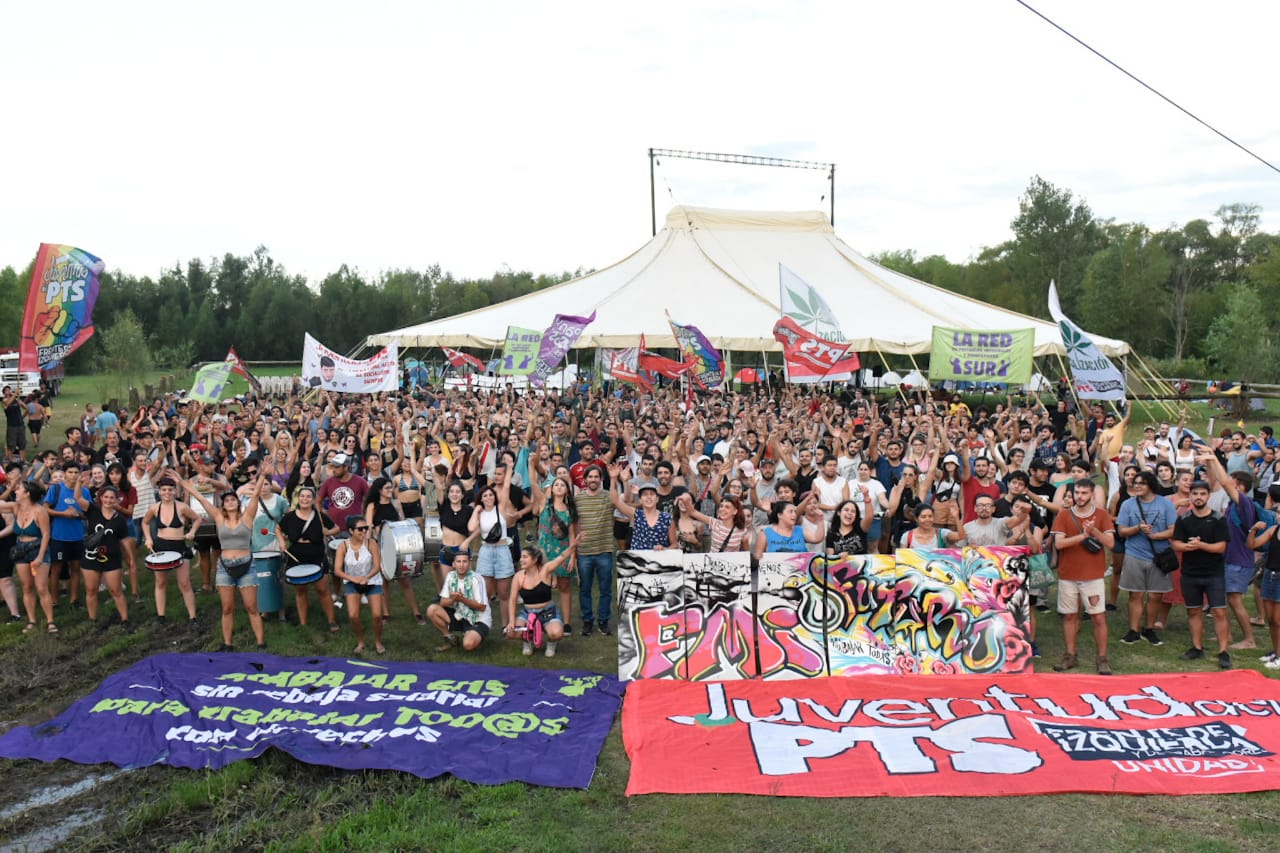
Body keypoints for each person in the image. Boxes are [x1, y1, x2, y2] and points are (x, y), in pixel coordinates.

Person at [184, 465, 271, 651]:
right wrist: (183, 483)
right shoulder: (218, 518)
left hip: (246, 565)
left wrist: (262, 474)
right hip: (224, 567)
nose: (230, 502)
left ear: (238, 503)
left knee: (251, 608)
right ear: (223, 505)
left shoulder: (247, 517)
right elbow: (200, 498)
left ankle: (261, 643)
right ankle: (227, 643)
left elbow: (255, 495)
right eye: (227, 500)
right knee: (227, 608)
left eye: (233, 500)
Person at [1051, 479, 1117, 675]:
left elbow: (1111, 543)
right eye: (1077, 493)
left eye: (1084, 493)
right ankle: (1070, 655)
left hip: (1092, 575)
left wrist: (1094, 531)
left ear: (1092, 495)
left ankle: (1102, 658)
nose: (1080, 497)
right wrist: (1083, 536)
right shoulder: (1063, 515)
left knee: (1098, 616)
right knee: (1070, 615)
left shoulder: (1102, 515)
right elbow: (1059, 544)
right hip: (1068, 574)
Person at [1173, 480, 1233, 669]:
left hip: (1213, 573)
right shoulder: (1183, 519)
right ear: (1190, 496)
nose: (1198, 497)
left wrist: (1201, 546)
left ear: (1208, 496)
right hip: (1190, 573)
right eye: (1195, 494)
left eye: (1202, 494)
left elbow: (1221, 547)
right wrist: (1188, 546)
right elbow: (1175, 543)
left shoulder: (1217, 519)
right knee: (1193, 610)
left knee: (1219, 611)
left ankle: (1223, 651)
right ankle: (1197, 647)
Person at [1115, 470, 1177, 647]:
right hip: (1135, 554)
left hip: (1159, 555)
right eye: (1135, 483)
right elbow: (1121, 531)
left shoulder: (1165, 504)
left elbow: (1173, 529)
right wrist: (1138, 528)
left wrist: (1156, 536)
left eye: (1141, 483)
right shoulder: (1128, 504)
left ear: (1151, 485)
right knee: (1136, 594)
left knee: (1156, 595)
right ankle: (1133, 630)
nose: (1137, 486)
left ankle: (1149, 628)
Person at [275, 485, 340, 631]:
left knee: (322, 589)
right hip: (297, 555)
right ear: (298, 498)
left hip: (316, 553)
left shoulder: (319, 516)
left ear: (313, 500)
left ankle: (332, 621)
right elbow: (277, 528)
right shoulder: (290, 517)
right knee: (300, 590)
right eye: (302, 496)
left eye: (308, 497)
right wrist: (281, 542)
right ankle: (303, 623)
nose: (305, 499)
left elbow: (337, 528)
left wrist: (328, 532)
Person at [142, 476, 202, 625]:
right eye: (164, 490)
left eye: (170, 489)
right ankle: (161, 616)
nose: (167, 492)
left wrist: (192, 532)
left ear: (175, 491)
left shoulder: (182, 507)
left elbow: (198, 518)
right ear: (159, 491)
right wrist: (148, 538)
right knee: (161, 582)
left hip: (179, 546)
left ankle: (193, 617)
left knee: (184, 583)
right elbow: (145, 522)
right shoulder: (155, 508)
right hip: (161, 546)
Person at [506, 538, 580, 657]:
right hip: (527, 614)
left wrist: (573, 546)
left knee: (557, 633)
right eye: (521, 557)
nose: (521, 560)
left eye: (525, 557)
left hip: (548, 612)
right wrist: (511, 621)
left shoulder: (545, 571)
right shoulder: (518, 577)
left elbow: (561, 557)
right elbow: (513, 600)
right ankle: (527, 640)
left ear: (534, 560)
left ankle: (551, 643)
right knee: (511, 633)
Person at [364, 475, 423, 624]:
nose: (391, 490)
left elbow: (403, 523)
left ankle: (416, 612)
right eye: (387, 488)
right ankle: (386, 613)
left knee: (405, 581)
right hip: (380, 546)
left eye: (391, 487)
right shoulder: (372, 506)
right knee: (384, 581)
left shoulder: (396, 504)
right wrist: (368, 546)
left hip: (397, 546)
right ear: (379, 491)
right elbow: (369, 527)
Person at [1, 482, 53, 633]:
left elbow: (46, 535)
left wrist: (40, 557)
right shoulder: (15, 507)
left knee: (42, 588)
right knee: (27, 587)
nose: (16, 492)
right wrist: (9, 489)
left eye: (19, 489)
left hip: (37, 549)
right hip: (21, 550)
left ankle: (50, 621)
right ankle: (32, 620)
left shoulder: (40, 511)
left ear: (27, 493)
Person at [529, 473, 579, 630]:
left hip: (563, 552)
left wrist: (572, 557)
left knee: (564, 587)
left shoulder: (569, 511)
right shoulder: (544, 503)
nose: (558, 487)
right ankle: (540, 620)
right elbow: (533, 483)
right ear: (551, 488)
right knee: (542, 588)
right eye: (556, 484)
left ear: (566, 490)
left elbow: (572, 535)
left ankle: (566, 623)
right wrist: (531, 465)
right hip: (544, 553)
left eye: (562, 485)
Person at [574, 463, 616, 638]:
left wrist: (614, 479)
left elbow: (621, 500)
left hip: (604, 549)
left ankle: (603, 621)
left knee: (606, 589)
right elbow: (574, 523)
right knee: (585, 589)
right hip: (584, 552)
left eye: (596, 477)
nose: (593, 479)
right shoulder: (578, 499)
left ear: (601, 479)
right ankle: (587, 621)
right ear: (584, 480)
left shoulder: (608, 496)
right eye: (590, 477)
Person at [333, 515, 384, 654]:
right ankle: (361, 641)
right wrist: (353, 579)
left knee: (377, 615)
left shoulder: (371, 543)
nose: (364, 531)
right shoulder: (343, 546)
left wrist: (367, 577)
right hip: (352, 582)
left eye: (366, 528)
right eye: (360, 529)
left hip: (372, 581)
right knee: (353, 616)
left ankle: (378, 641)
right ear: (351, 531)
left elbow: (377, 566)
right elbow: (337, 570)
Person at [81, 485, 130, 628]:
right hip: (91, 557)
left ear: (116, 500)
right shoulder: (93, 511)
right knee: (91, 589)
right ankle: (92, 619)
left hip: (112, 558)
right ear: (101, 498)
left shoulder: (120, 520)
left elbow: (124, 540)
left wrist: (130, 558)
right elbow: (78, 498)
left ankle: (125, 619)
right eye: (106, 497)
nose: (108, 500)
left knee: (116, 590)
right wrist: (79, 482)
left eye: (112, 498)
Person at [470, 484, 515, 632]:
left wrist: (509, 468)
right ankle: (485, 624)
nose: (489, 498)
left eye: (491, 495)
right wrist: (476, 510)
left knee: (503, 593)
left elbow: (507, 489)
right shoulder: (480, 512)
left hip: (502, 550)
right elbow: (471, 528)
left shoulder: (500, 509)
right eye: (485, 496)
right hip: (486, 552)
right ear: (481, 499)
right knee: (486, 592)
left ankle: (505, 625)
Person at [44, 463, 89, 606]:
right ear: (65, 474)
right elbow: (45, 509)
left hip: (77, 536)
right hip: (59, 537)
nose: (74, 475)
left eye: (76, 472)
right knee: (56, 568)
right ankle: (54, 600)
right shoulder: (55, 489)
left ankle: (74, 600)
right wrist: (62, 514)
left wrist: (79, 515)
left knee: (76, 568)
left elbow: (89, 513)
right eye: (70, 472)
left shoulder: (85, 492)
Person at [428, 550, 489, 652]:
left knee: (468, 645)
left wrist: (462, 599)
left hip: (478, 618)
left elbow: (482, 607)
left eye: (464, 562)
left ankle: (476, 636)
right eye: (458, 562)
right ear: (453, 564)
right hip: (459, 614)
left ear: (469, 564)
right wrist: (453, 599)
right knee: (432, 610)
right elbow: (442, 602)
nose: (461, 565)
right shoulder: (451, 576)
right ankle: (450, 639)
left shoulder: (477, 579)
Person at [609, 463, 676, 551]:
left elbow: (675, 544)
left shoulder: (667, 518)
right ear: (640, 500)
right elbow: (615, 501)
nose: (648, 497)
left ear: (657, 499)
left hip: (660, 562)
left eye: (652, 494)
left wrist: (665, 549)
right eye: (645, 494)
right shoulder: (635, 514)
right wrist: (613, 479)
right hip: (638, 562)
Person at [437, 481, 475, 592]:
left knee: (467, 585)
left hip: (461, 550)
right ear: (448, 494)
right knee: (449, 585)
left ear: (462, 495)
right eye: (452, 491)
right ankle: (452, 608)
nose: (454, 494)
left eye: (458, 492)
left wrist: (468, 541)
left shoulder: (468, 510)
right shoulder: (443, 507)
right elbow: (438, 487)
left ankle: (468, 607)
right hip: (446, 550)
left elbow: (478, 529)